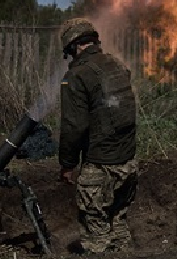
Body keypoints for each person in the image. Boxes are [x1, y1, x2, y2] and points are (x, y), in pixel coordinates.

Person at [58, 18, 139, 254]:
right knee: (119, 225)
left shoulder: (77, 75)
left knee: (97, 237)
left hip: (99, 167)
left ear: (73, 47)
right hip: (128, 164)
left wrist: (67, 164)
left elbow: (74, 126)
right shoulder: (117, 65)